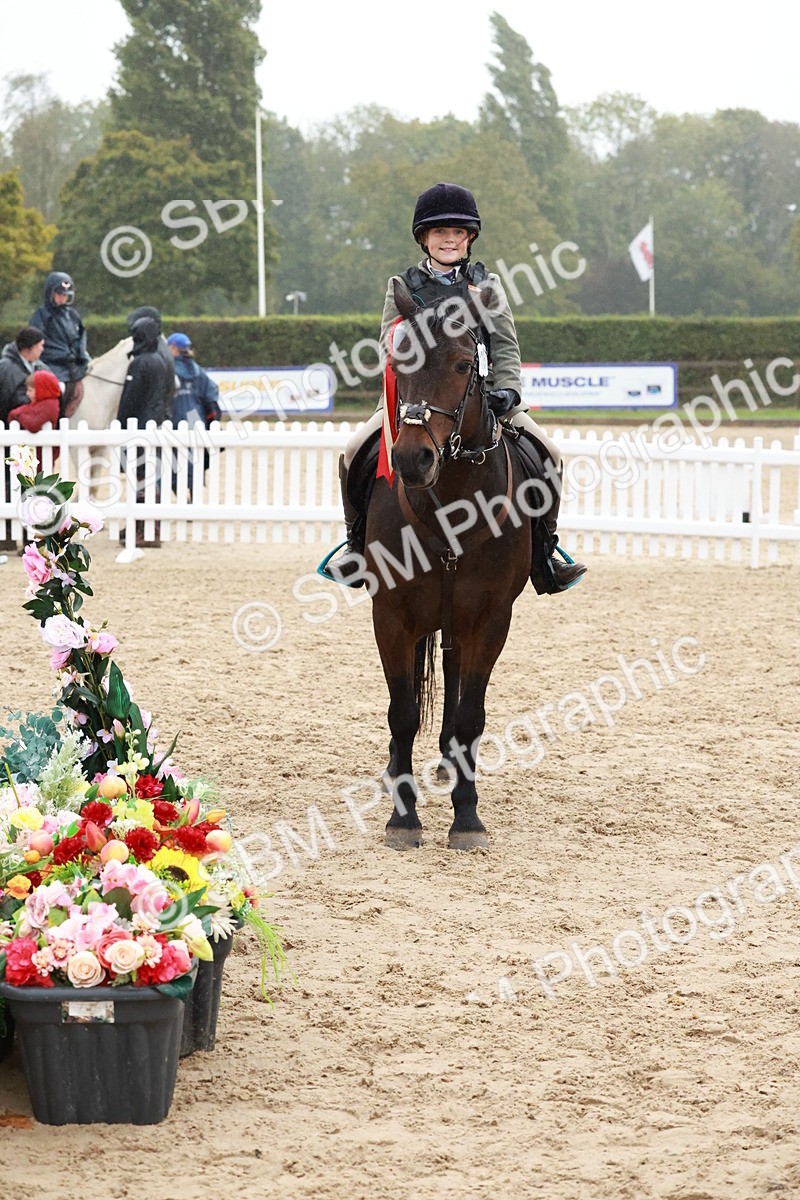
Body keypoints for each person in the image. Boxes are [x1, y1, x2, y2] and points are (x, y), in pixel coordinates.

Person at [336, 182, 586, 593]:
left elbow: (505, 345)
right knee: (352, 452)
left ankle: (545, 552)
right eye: (439, 232)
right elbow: (391, 348)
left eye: (456, 232)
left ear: (469, 238)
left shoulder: (486, 286)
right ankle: (357, 547)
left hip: (482, 397)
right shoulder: (402, 286)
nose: (448, 239)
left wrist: (508, 391)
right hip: (413, 398)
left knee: (551, 456)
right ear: (424, 238)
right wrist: (400, 400)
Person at [118, 315, 169, 547]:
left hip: (138, 428)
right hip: (156, 425)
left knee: (140, 480)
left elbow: (129, 400)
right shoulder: (161, 361)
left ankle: (143, 531)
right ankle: (150, 527)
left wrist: (120, 423)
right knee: (150, 479)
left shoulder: (139, 363)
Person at [29, 272, 89, 417]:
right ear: (51, 293)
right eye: (59, 294)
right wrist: (64, 355)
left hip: (72, 365)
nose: (63, 298)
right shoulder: (41, 316)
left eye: (66, 295)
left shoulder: (73, 315)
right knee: (56, 390)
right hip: (51, 365)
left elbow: (81, 337)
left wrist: (81, 355)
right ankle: (55, 419)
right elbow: (37, 344)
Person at [127, 306, 176, 421]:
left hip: (145, 418)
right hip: (162, 415)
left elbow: (133, 395)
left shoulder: (149, 355)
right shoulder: (164, 350)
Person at [0, 327, 46, 424]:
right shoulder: (6, 368)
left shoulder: (40, 366)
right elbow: (6, 398)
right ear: (31, 346)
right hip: (10, 424)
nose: (42, 349)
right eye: (40, 345)